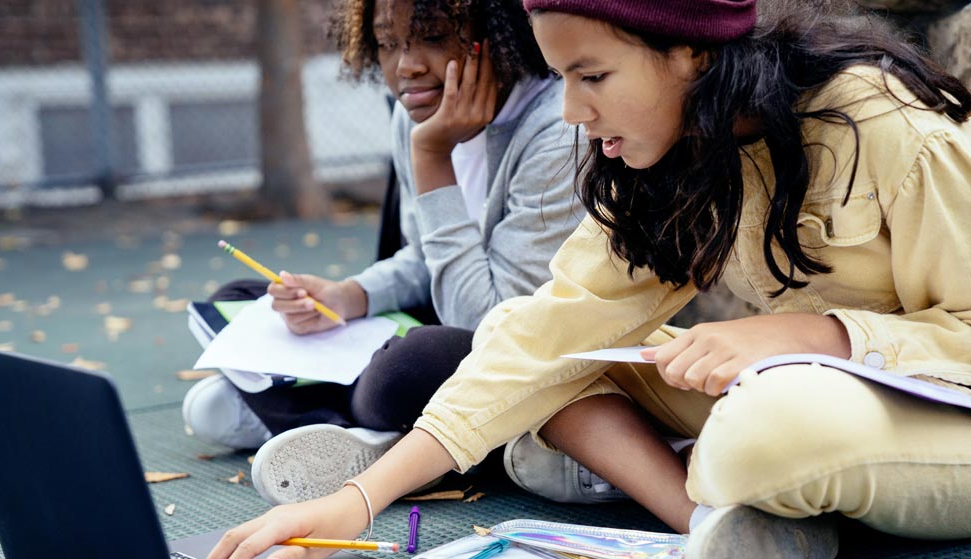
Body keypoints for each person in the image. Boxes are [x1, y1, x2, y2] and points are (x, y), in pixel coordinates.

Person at [208, 0, 971, 558]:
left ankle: (726, 484)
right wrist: (358, 500)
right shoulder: (671, 146)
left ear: (690, 51)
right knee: (522, 336)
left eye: (593, 74)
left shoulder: (878, 122)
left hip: (935, 409)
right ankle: (713, 526)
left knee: (761, 429)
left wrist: (812, 336)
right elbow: (544, 335)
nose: (572, 109)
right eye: (562, 77)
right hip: (803, 390)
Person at [182, 0, 585, 503]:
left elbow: (490, 325)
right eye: (388, 43)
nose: (405, 66)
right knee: (243, 300)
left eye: (432, 36)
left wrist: (432, 158)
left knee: (411, 365)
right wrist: (349, 295)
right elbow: (423, 256)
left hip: (509, 352)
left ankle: (292, 410)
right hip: (444, 323)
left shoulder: (558, 129)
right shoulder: (413, 112)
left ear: (499, 32)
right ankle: (362, 436)